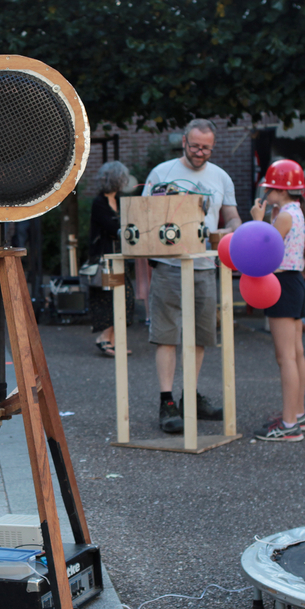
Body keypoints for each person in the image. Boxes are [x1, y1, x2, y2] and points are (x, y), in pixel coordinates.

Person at [141, 119, 242, 433]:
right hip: (169, 264)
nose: (200, 152)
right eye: (196, 146)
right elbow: (142, 218)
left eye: (206, 148)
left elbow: (232, 215)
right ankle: (167, 401)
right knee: (167, 335)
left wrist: (235, 229)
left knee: (199, 336)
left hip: (204, 266)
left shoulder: (221, 177)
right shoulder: (161, 173)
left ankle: (190, 397)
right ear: (184, 141)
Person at [249, 160, 305, 442]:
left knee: (285, 357)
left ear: (281, 189)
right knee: (296, 353)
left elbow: (261, 248)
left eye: (269, 188)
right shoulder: (294, 210)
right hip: (294, 283)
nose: (265, 193)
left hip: (281, 284)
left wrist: (257, 220)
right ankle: (298, 415)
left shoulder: (284, 216)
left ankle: (289, 425)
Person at [87, 161, 135, 357]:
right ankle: (104, 339)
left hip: (120, 257)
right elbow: (110, 228)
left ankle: (113, 341)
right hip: (105, 258)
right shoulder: (99, 203)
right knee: (111, 299)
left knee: (125, 298)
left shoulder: (121, 199)